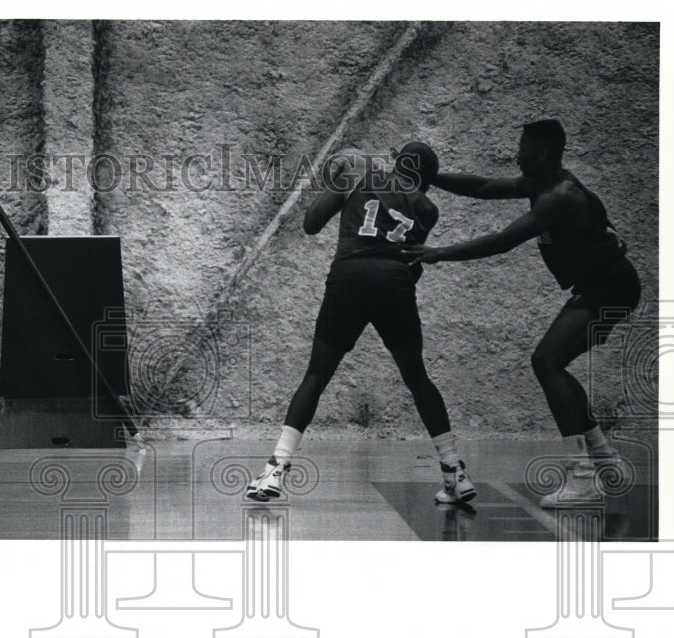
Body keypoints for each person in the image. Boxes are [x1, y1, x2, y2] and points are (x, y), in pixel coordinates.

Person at [407, 119, 640, 507]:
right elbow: (481, 187)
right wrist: (430, 174)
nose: (517, 153)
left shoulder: (560, 196)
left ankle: (584, 475)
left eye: (523, 147)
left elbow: (503, 241)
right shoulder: (540, 183)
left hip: (612, 288)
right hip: (600, 286)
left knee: (547, 361)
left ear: (543, 152)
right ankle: (602, 457)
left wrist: (438, 253)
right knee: (553, 362)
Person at [246, 143, 476, 505]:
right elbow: (412, 261)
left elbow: (310, 224)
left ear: (395, 162)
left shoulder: (358, 176)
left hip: (348, 279)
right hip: (394, 283)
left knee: (316, 376)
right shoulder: (427, 208)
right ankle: (454, 472)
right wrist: (391, 292)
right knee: (417, 377)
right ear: (426, 179)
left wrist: (337, 182)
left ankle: (276, 468)